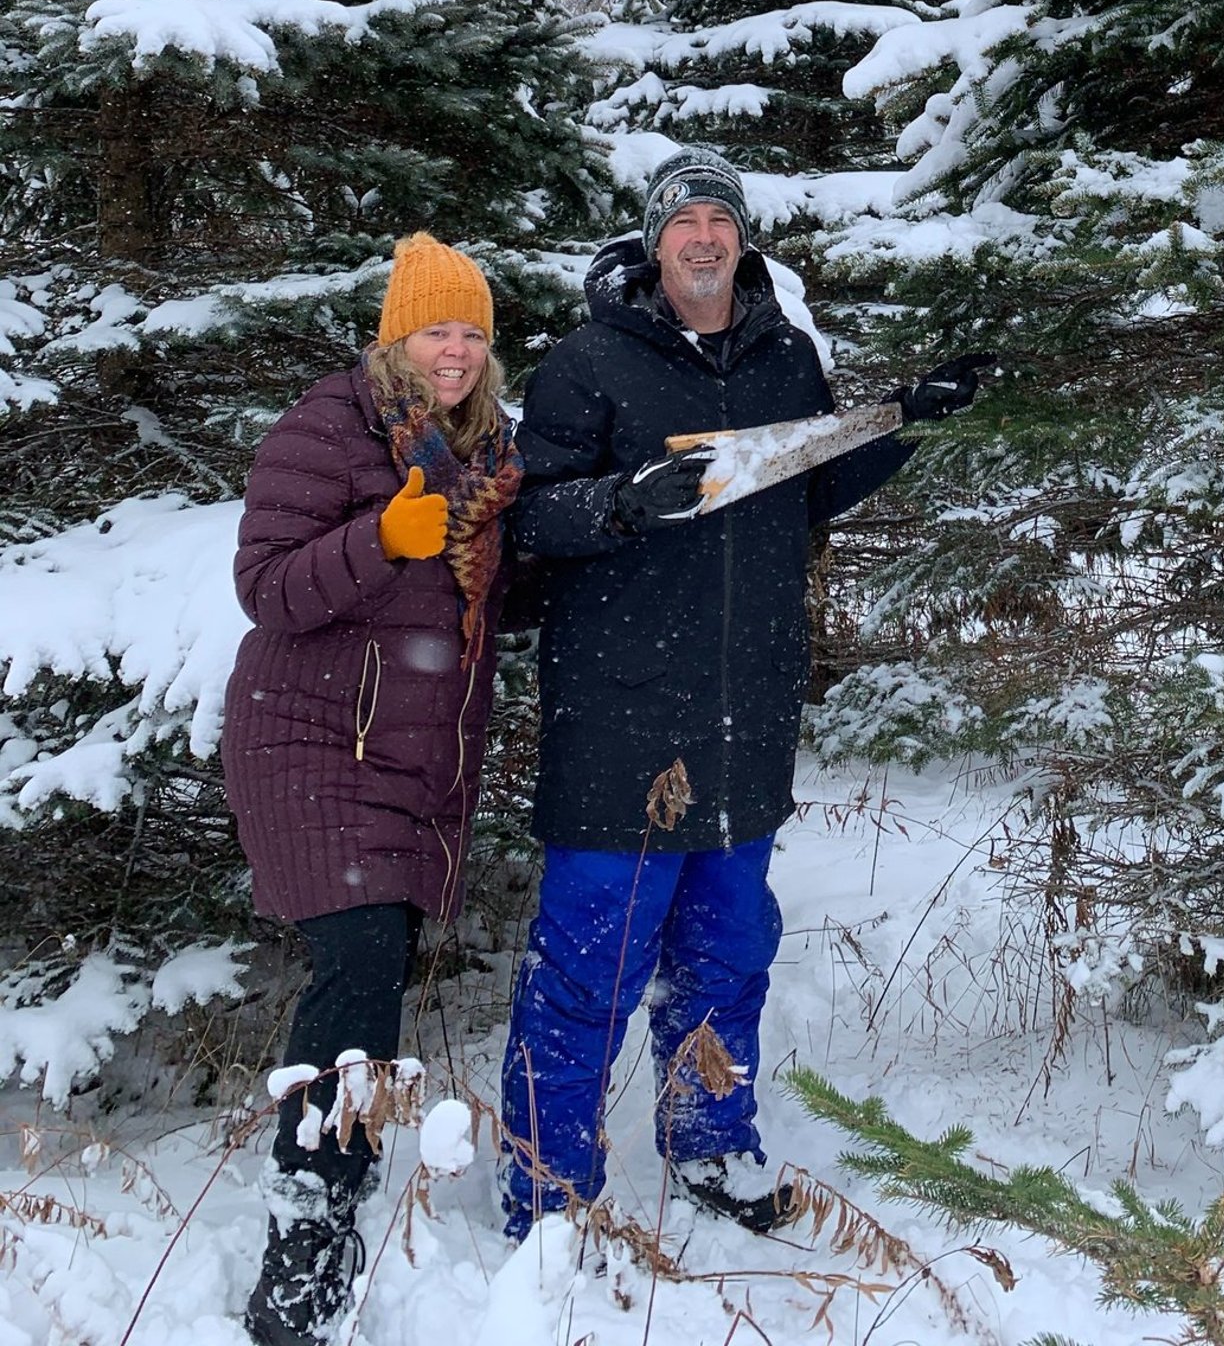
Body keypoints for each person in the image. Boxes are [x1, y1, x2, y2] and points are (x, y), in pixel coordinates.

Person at [500, 147, 991, 1240]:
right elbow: (527, 521)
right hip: (622, 720)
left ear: (743, 238)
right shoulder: (588, 365)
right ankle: (546, 1192)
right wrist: (622, 503)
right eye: (686, 222)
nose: (705, 238)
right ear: (656, 240)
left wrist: (906, 417)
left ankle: (710, 1140)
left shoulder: (785, 359)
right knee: (588, 972)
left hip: (744, 717)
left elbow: (805, 482)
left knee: (726, 957)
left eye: (721, 219)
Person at [222, 233, 522, 1346]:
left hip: (406, 760)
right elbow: (264, 585)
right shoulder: (328, 425)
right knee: (356, 972)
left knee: (371, 976)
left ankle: (328, 1205)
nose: (454, 350)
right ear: (396, 336)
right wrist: (377, 539)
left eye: (472, 333)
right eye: (436, 328)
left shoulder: (489, 452)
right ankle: (304, 1253)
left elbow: (500, 598)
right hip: (306, 741)